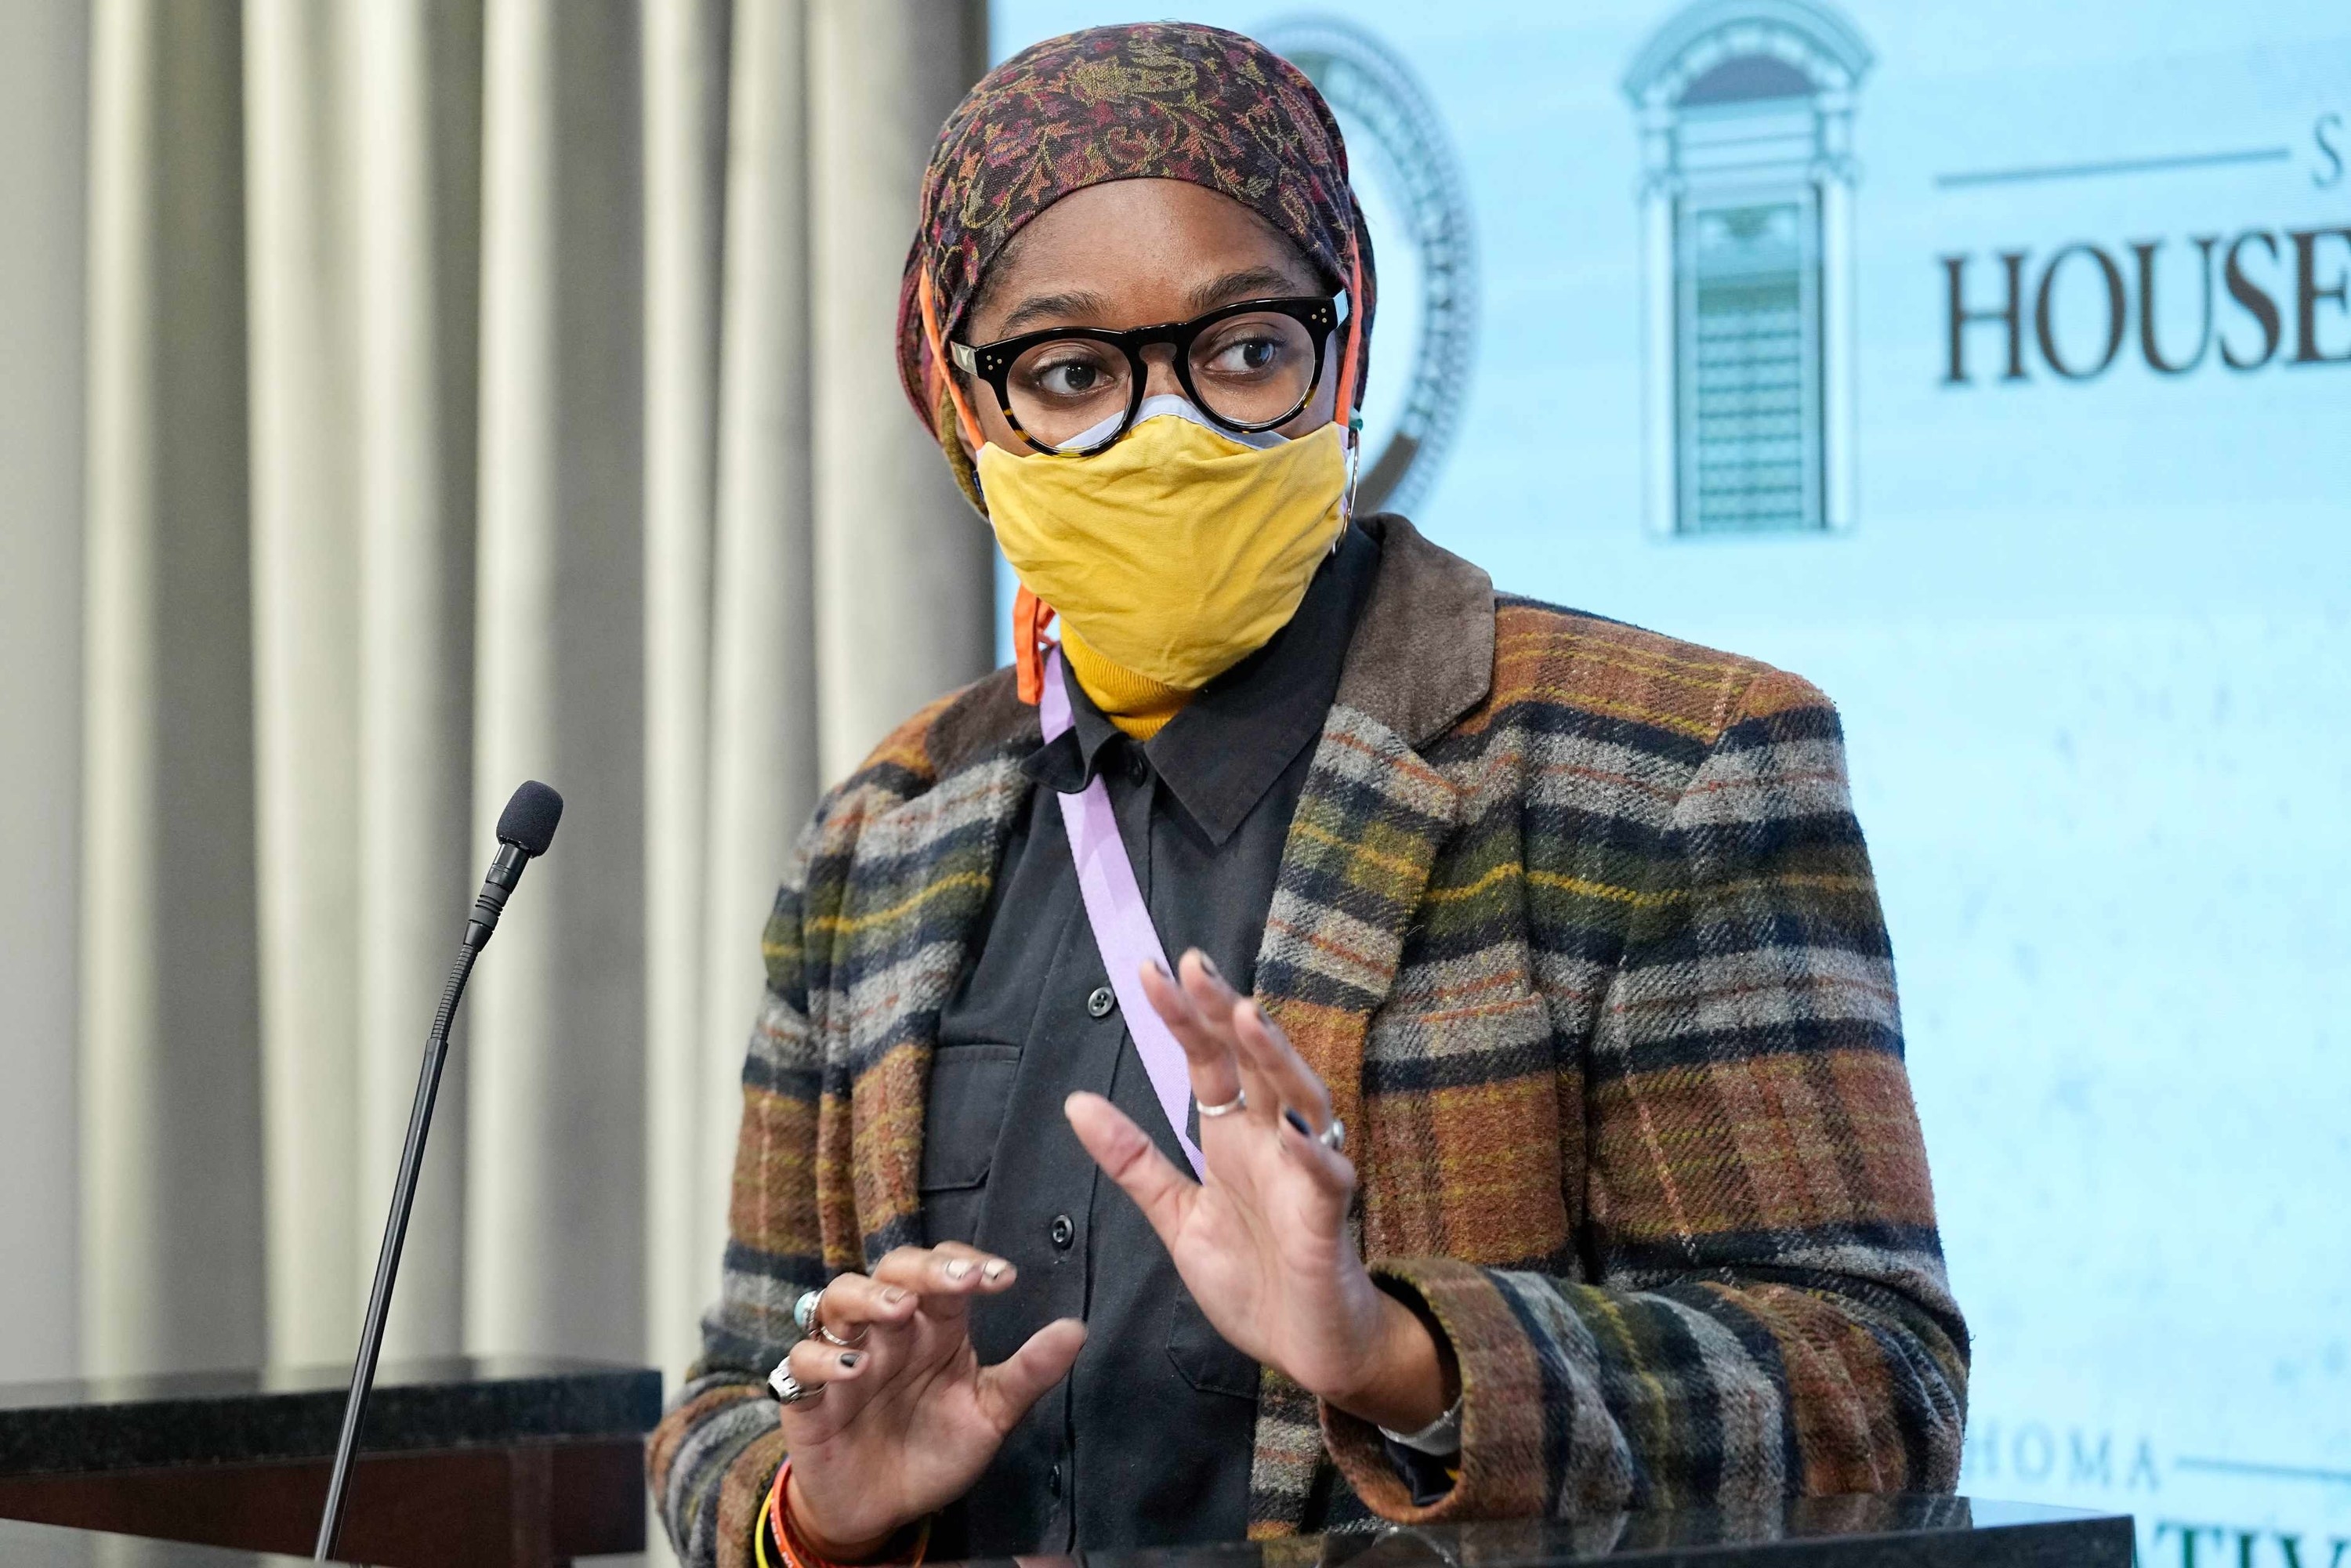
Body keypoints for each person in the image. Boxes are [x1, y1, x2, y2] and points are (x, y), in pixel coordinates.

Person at [650, 21, 1966, 1568]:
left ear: (1339, 352)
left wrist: (1398, 1348)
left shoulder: (1673, 763)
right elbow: (735, 1395)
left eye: (1244, 350)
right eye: (1071, 374)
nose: (1171, 431)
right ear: (966, 403)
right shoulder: (883, 833)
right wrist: (817, 1503)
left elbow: (1875, 1390)